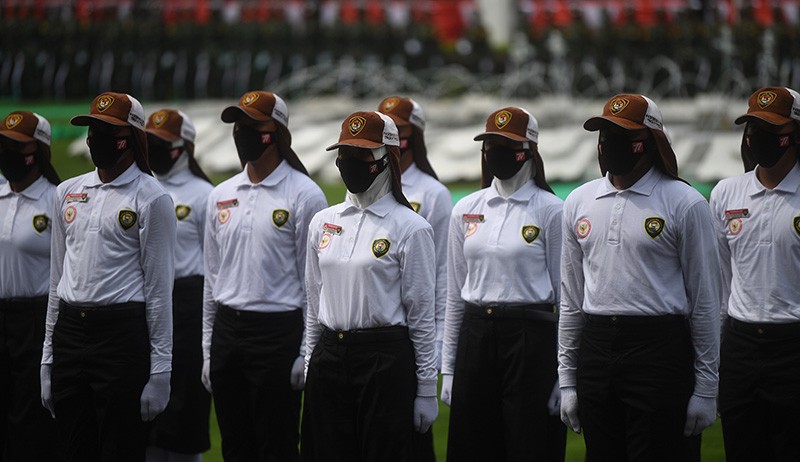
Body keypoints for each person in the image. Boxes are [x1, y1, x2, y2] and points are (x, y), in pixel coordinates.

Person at [558, 94, 721, 461]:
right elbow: (571, 299)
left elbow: (705, 300)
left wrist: (707, 387)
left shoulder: (685, 202)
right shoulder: (579, 202)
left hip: (659, 352)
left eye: (620, 134)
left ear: (649, 142)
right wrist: (567, 379)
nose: (608, 144)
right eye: (604, 134)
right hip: (597, 349)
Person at [40, 92, 176, 461]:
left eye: (105, 130)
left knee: (120, 448)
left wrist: (161, 369)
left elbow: (160, 290)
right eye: (92, 129)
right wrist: (48, 357)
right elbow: (57, 279)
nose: (95, 138)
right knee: (73, 446)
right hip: (71, 331)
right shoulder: (67, 192)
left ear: (129, 138)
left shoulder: (151, 198)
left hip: (121, 338)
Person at [302, 111, 438, 462]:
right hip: (330, 356)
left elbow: (421, 315)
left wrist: (425, 389)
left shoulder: (411, 228)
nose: (350, 163)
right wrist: (310, 362)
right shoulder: (323, 222)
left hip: (384, 360)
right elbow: (314, 301)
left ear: (385, 159)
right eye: (345, 154)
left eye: (362, 155)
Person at [202, 91, 326, 462]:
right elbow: (212, 277)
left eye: (253, 125)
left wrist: (305, 352)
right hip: (228, 331)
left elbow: (314, 284)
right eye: (239, 125)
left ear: (276, 132)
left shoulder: (305, 195)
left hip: (277, 334)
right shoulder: (221, 194)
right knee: (235, 444)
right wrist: (209, 349)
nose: (243, 133)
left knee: (276, 443)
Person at [439, 107, 566, 461]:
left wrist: (563, 373)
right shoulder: (465, 208)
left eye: (506, 144)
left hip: (531, 338)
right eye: (490, 144)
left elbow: (567, 297)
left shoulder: (551, 210)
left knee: (528, 442)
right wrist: (449, 367)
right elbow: (454, 293)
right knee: (473, 444)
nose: (496, 152)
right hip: (476, 335)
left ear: (528, 150)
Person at [710, 86, 800, 461]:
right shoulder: (726, 193)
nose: (757, 136)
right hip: (740, 348)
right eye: (752, 126)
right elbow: (718, 283)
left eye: (769, 128)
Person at [145, 109, 213, 462]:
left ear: (183, 146)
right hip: (145, 303)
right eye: (149, 143)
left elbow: (215, 263)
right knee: (145, 411)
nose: (154, 150)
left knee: (184, 406)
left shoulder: (205, 195)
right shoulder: (142, 187)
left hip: (189, 305)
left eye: (161, 144)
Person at [0, 110, 60, 461]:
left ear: (36, 152)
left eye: (14, 147)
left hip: (36, 318)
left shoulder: (56, 199)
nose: (6, 154)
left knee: (30, 418)